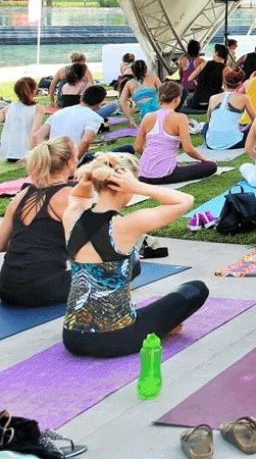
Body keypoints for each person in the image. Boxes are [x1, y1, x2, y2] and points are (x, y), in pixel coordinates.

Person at [60, 153, 209, 358]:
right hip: (114, 339)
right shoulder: (126, 225)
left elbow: (78, 197)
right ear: (125, 185)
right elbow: (185, 200)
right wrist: (139, 187)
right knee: (196, 289)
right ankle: (164, 327)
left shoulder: (72, 216)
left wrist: (86, 182)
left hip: (72, 337)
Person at [0, 138, 78, 306]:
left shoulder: (21, 195)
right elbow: (86, 245)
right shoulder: (68, 195)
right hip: (43, 288)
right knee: (124, 267)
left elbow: (1, 244)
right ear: (70, 162)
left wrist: (29, 242)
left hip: (6, 287)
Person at [130, 82, 219, 185]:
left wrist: (154, 159)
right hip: (166, 175)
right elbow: (188, 149)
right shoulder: (180, 118)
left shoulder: (147, 117)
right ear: (177, 99)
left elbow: (138, 147)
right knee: (211, 166)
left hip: (143, 175)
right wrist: (205, 159)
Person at [37, 85, 108, 163]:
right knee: (111, 156)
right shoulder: (94, 117)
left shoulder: (59, 112)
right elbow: (86, 141)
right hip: (70, 162)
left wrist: (45, 159)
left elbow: (38, 136)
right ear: (98, 104)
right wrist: (71, 164)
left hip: (53, 160)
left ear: (81, 98)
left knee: (96, 155)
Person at [202, 70, 252, 150]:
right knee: (251, 127)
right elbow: (255, 119)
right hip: (235, 142)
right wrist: (246, 128)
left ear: (224, 84)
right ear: (239, 85)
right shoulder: (244, 98)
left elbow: (209, 119)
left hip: (211, 143)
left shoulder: (213, 98)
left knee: (206, 126)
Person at [0, 77, 42, 162]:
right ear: (34, 90)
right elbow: (34, 132)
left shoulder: (9, 107)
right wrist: (31, 154)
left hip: (6, 152)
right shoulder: (38, 108)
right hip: (24, 153)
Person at [117, 59, 162, 128]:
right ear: (146, 69)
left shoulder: (129, 84)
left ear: (133, 71)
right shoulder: (153, 78)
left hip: (146, 117)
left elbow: (121, 101)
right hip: (160, 113)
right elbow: (164, 93)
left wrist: (130, 120)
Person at [185, 44, 229, 111]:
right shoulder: (226, 69)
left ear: (216, 53)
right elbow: (227, 87)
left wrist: (197, 86)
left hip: (196, 103)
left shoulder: (204, 64)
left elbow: (190, 79)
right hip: (212, 103)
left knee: (189, 98)